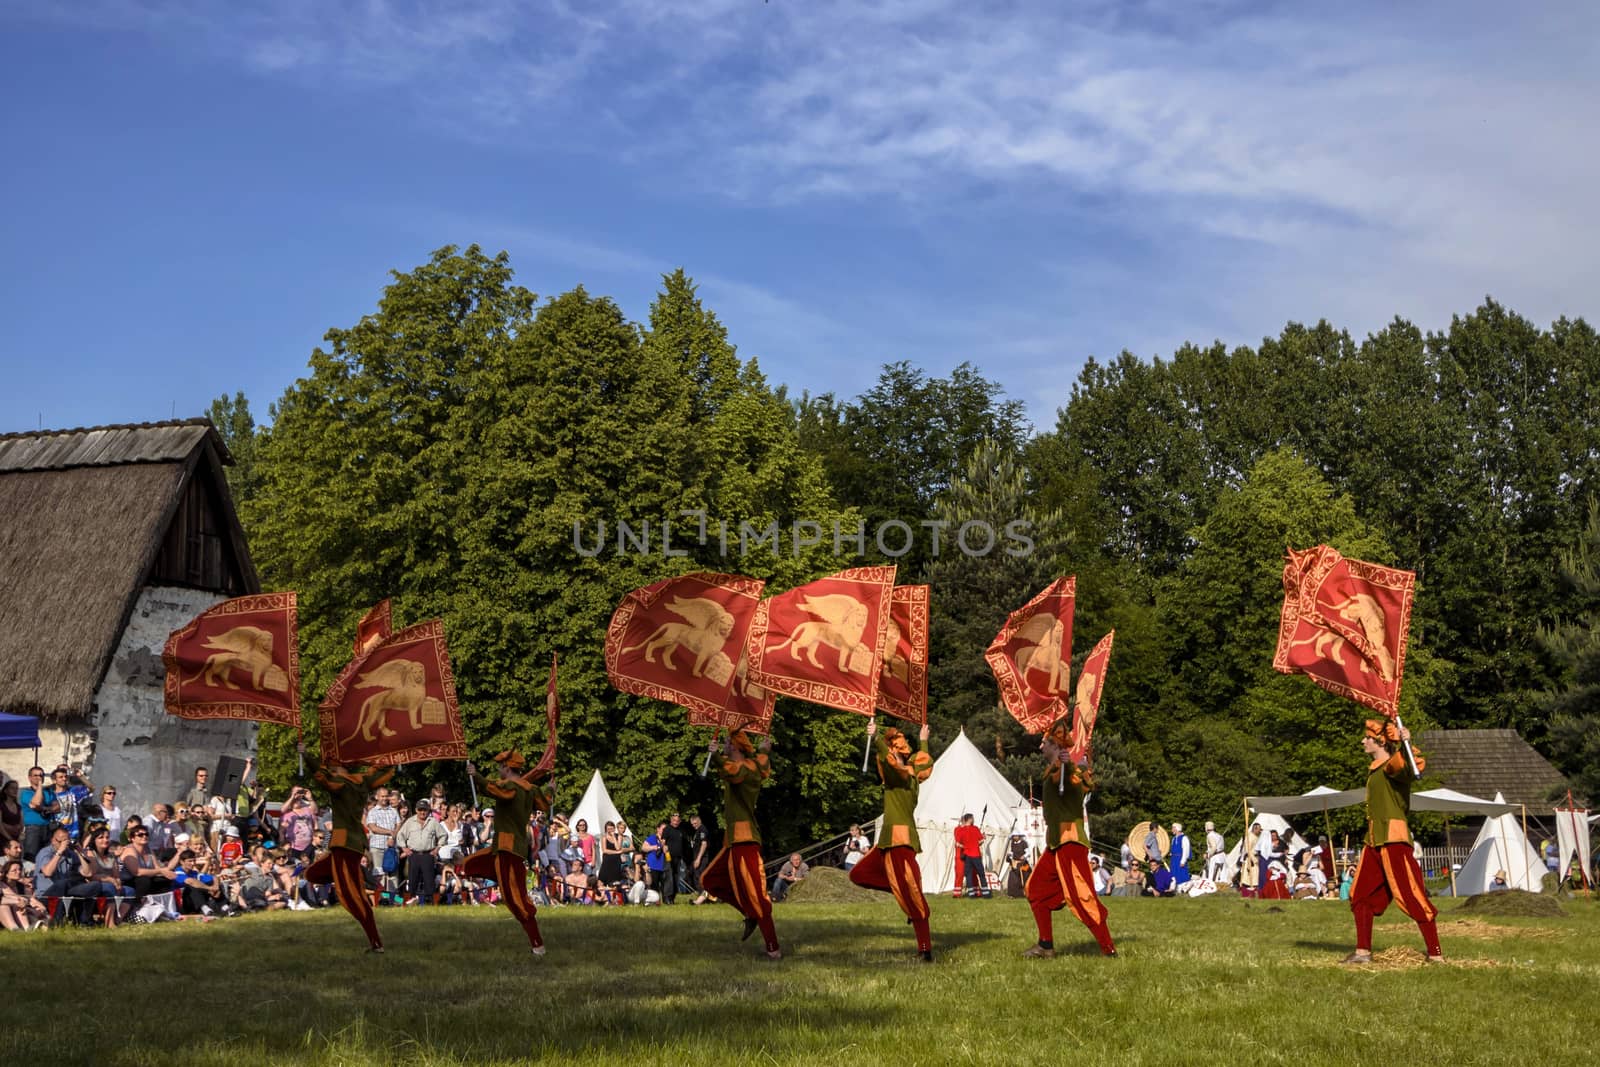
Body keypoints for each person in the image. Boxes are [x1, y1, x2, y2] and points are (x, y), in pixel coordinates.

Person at [1342, 720, 1442, 965]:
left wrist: (1405, 741)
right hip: (1374, 841)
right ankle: (1363, 952)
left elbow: (1409, 768)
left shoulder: (1390, 767)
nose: (1363, 741)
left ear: (1380, 741)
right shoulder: (1376, 769)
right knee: (1360, 895)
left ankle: (1435, 954)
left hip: (1394, 840)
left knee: (1412, 895)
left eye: (1367, 737)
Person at [1023, 717, 1116, 958]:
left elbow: (1076, 782)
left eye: (1045, 743)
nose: (1041, 747)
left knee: (1082, 897)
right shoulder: (1057, 768)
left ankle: (1108, 949)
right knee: (1036, 889)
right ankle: (1045, 945)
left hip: (1070, 842)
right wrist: (1065, 765)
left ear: (1056, 745)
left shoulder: (1069, 770)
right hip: (1055, 843)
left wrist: (1068, 765)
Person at [849, 720, 936, 959]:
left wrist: (877, 738)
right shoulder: (908, 774)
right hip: (888, 841)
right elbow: (921, 763)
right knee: (858, 874)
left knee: (915, 898)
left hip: (899, 842)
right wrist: (924, 740)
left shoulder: (904, 776)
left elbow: (894, 766)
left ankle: (925, 950)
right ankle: (903, 895)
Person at [297, 742, 392, 952]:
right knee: (312, 873)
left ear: (338, 768)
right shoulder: (361, 781)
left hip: (344, 844)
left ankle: (376, 943)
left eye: (332, 766)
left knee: (350, 896)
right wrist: (377, 758)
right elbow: (383, 770)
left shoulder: (340, 782)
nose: (330, 769)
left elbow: (323, 778)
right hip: (354, 843)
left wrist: (307, 755)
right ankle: (347, 879)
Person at [699, 724, 782, 959]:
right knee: (710, 880)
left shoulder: (743, 769)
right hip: (733, 840)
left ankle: (773, 948)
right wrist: (764, 749)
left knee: (757, 895)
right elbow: (762, 761)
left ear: (735, 747)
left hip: (745, 840)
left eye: (727, 743)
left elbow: (732, 772)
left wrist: (714, 754)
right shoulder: (753, 764)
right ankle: (750, 913)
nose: (725, 745)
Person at [464, 749, 554, 955]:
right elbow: (545, 802)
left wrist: (475, 774)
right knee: (469, 864)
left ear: (506, 767)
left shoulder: (511, 786)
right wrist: (550, 789)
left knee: (515, 899)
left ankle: (537, 944)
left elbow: (491, 788)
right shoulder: (530, 789)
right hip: (506, 847)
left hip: (507, 848)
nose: (498, 770)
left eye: (500, 767)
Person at [395, 799, 446, 905]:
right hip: (414, 854)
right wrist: (404, 848)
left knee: (429, 880)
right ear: (416, 810)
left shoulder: (433, 822)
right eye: (420, 810)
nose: (422, 812)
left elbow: (443, 835)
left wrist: (437, 848)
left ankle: (430, 901)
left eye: (425, 810)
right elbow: (400, 835)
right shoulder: (410, 822)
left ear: (428, 810)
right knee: (413, 879)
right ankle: (411, 899)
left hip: (428, 854)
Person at [953, 813, 990, 899]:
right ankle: (986, 893)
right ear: (969, 819)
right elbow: (980, 841)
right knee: (980, 874)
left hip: (966, 855)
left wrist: (966, 846)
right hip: (975, 855)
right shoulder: (975, 828)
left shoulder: (960, 830)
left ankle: (971, 894)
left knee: (969, 875)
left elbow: (958, 843)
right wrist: (978, 842)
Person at [20, 767, 51, 861]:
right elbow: (36, 803)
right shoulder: (26, 793)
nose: (39, 777)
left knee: (46, 857)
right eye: (36, 775)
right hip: (33, 829)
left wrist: (44, 808)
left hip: (48, 827)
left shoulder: (48, 792)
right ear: (29, 778)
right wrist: (40, 785)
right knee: (31, 857)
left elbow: (57, 806)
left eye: (41, 775)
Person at [1169, 822, 1192, 889]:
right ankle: (1173, 888)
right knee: (1173, 874)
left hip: (1180, 859)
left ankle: (1182, 888)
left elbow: (1186, 850)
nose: (1172, 830)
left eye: (1173, 828)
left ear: (1177, 828)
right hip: (1174, 859)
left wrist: (1183, 861)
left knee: (1181, 873)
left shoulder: (1184, 838)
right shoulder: (1173, 839)